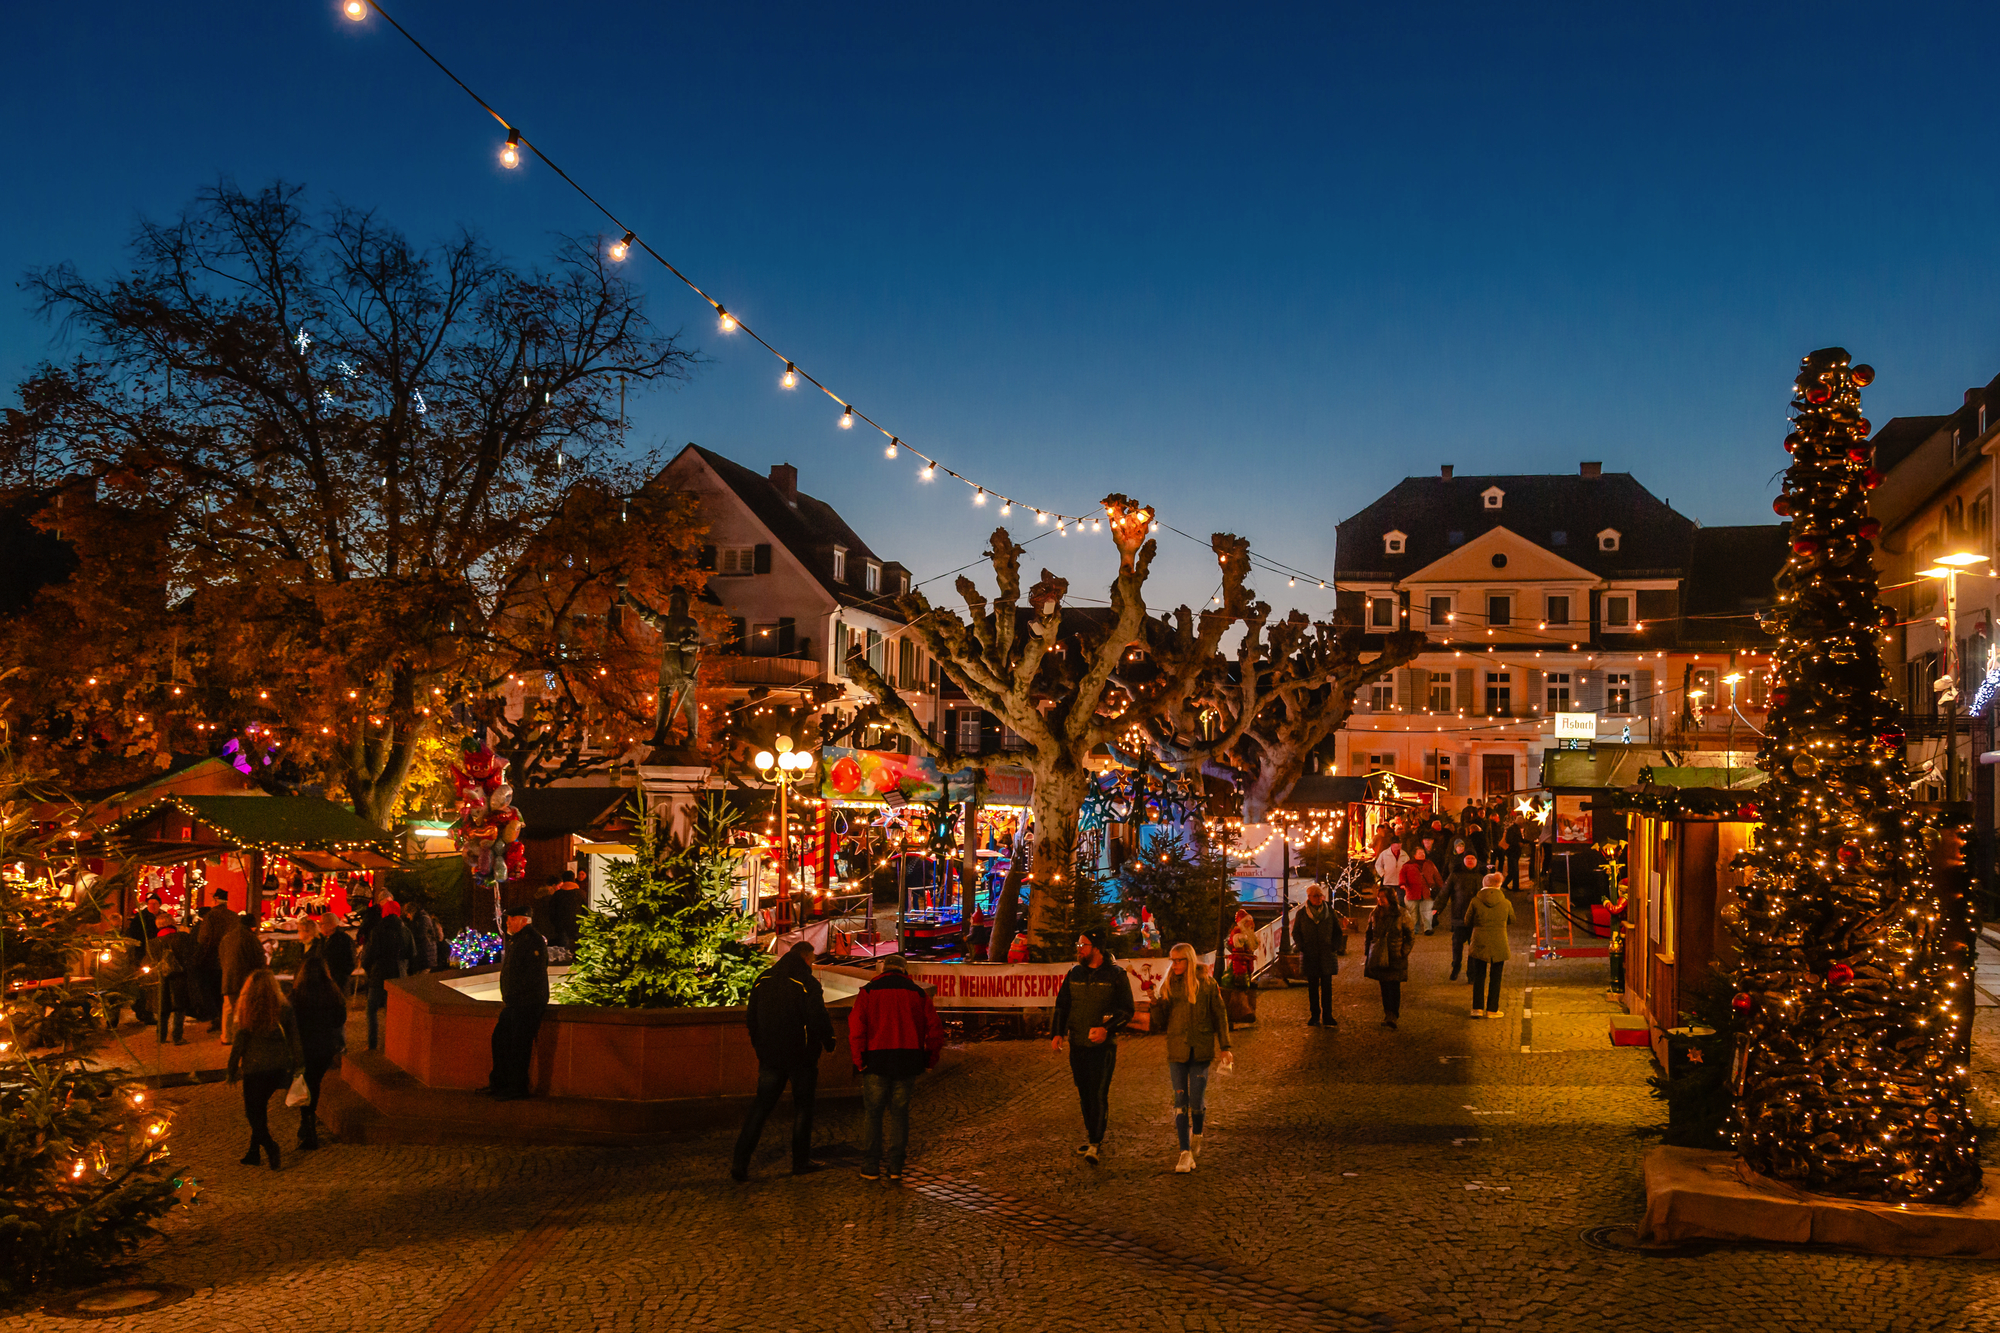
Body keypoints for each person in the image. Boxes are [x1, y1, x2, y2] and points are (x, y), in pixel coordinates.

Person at [732, 941, 835, 1180]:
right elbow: (817, 1017)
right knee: (803, 1109)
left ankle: (740, 1162)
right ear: (806, 957)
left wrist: (759, 1045)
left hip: (770, 1056)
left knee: (760, 1109)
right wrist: (829, 1041)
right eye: (812, 960)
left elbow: (752, 1017)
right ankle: (800, 1161)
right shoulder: (806, 983)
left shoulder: (763, 979)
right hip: (801, 1057)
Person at [846, 955, 946, 1183]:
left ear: (883, 969)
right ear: (904, 970)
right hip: (908, 1059)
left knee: (873, 1113)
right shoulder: (918, 993)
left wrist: (859, 1061)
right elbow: (935, 1030)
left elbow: (856, 1029)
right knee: (900, 1113)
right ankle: (896, 1165)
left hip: (876, 1060)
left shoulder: (869, 992)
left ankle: (871, 1165)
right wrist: (930, 1059)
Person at [1050, 927, 1134, 1165]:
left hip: (1103, 1048)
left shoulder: (1116, 976)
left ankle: (1095, 1142)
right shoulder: (1074, 973)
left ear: (1096, 948)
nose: (1079, 949)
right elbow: (1062, 1005)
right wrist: (1058, 1033)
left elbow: (1126, 1010)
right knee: (1084, 1092)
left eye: (1083, 945)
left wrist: (1107, 1029)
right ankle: (1092, 1136)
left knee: (1098, 1093)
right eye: (1078, 945)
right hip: (1078, 1044)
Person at [1150, 941, 1232, 1174]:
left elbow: (1220, 1014)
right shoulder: (1169, 984)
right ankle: (1184, 1152)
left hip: (1200, 1049)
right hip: (1177, 1049)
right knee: (1180, 1102)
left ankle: (1197, 1133)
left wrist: (1225, 1046)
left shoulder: (1206, 983)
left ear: (1188, 960)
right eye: (1172, 961)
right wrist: (1154, 1003)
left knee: (1196, 1101)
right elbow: (1160, 1020)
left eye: (1178, 960)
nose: (1174, 965)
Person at [225, 968, 300, 1171]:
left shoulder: (248, 1008)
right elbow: (294, 1038)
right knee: (260, 1111)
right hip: (278, 1066)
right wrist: (297, 1066)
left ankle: (270, 1146)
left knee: (253, 1113)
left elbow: (240, 1040)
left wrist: (232, 1067)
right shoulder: (283, 1007)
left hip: (255, 1068)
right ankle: (253, 1152)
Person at [486, 908, 550, 1100]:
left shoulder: (531, 940)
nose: (507, 923)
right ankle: (500, 1083)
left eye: (511, 919)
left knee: (519, 1046)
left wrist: (518, 994)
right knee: (501, 1039)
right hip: (515, 1002)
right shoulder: (517, 939)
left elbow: (533, 973)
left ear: (523, 921)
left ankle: (516, 1087)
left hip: (526, 1003)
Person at [290, 955, 348, 1149]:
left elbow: (290, 1023)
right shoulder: (332, 992)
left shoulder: (298, 995)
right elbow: (340, 1019)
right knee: (314, 1084)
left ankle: (307, 1124)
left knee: (307, 1083)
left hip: (304, 1047)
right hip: (324, 1047)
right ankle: (308, 1124)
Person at [361, 899, 413, 1051]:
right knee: (394, 1011)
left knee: (372, 1010)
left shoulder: (378, 930)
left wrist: (368, 969)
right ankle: (394, 1043)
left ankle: (372, 1043)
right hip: (398, 976)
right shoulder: (406, 930)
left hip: (378, 975)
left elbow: (369, 955)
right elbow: (412, 953)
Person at [1362, 881, 1413, 1028]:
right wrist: (1368, 951)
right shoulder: (1374, 914)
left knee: (1394, 986)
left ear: (1390, 898)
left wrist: (1403, 951)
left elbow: (1410, 935)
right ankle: (1388, 1014)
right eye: (1378, 897)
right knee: (1384, 986)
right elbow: (1369, 934)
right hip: (1379, 954)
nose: (1379, 900)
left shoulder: (1402, 913)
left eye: (1382, 897)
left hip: (1395, 954)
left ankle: (1393, 1014)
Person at [1466, 872, 1515, 1018]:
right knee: (1496, 977)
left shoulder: (1475, 901)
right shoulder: (1506, 902)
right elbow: (1512, 919)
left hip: (1480, 942)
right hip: (1499, 942)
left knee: (1479, 976)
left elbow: (1467, 921)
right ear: (1498, 885)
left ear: (1484, 884)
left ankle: (1477, 1009)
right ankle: (1492, 1010)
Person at [1293, 883, 1342, 1027]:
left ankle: (1328, 1016)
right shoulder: (1301, 914)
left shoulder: (1330, 912)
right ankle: (1315, 1016)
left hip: (1327, 953)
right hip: (1310, 954)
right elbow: (1296, 932)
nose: (1319, 898)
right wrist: (1301, 946)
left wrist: (1334, 946)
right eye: (1315, 896)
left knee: (1327, 987)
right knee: (1312, 987)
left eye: (1320, 895)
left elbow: (1337, 931)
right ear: (1309, 897)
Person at [194, 888, 238, 1030]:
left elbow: (204, 938)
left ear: (215, 900)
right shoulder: (234, 916)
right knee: (224, 990)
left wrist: (199, 957)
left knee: (211, 990)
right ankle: (226, 1018)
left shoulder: (210, 916)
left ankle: (216, 1018)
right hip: (230, 959)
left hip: (213, 959)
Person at [218, 915, 267, 1043]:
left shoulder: (227, 937)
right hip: (244, 978)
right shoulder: (251, 938)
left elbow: (221, 956)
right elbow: (259, 958)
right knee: (242, 1009)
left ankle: (226, 1036)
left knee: (228, 1007)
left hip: (228, 977)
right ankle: (240, 1036)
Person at [1443, 852, 1483, 981]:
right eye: (1468, 858)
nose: (1470, 861)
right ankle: (1456, 965)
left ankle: (1471, 974)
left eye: (1473, 858)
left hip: (1476, 919)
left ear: (1476, 861)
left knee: (1473, 948)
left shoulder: (1481, 876)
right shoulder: (1455, 875)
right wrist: (1436, 908)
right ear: (1463, 860)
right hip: (1459, 917)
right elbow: (1445, 892)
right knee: (1457, 945)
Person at [155, 922, 196, 1044]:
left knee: (163, 1008)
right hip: (179, 977)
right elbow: (191, 957)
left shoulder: (155, 942)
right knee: (179, 1008)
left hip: (161, 978)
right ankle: (177, 1037)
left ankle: (160, 1037)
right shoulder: (182, 939)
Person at [309, 913, 358, 997]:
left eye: (322, 924)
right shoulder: (323, 939)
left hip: (338, 983)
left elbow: (351, 961)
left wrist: (340, 975)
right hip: (324, 982)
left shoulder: (343, 940)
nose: (320, 926)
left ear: (331, 925)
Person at [1399, 847, 1438, 936]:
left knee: (1427, 911)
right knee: (1413, 912)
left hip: (1426, 892)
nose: (1422, 854)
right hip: (1412, 892)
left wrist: (1441, 886)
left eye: (1423, 853)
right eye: (1420, 853)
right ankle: (1414, 929)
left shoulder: (1429, 864)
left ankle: (1427, 929)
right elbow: (1402, 875)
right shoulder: (1407, 865)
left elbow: (1436, 875)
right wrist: (1403, 884)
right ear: (1414, 855)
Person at [548, 875, 586, 950]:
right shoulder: (581, 893)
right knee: (581, 950)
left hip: (562, 926)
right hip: (578, 925)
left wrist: (556, 923)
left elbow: (552, 911)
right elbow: (586, 909)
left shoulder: (557, 894)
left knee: (563, 951)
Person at [1502, 816, 1525, 892]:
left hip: (1514, 852)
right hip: (1512, 852)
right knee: (1514, 870)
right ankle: (1515, 887)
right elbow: (1509, 840)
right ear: (1520, 822)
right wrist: (1518, 843)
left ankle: (1505, 884)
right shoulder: (1512, 829)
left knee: (1513, 871)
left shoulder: (1515, 829)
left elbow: (1520, 839)